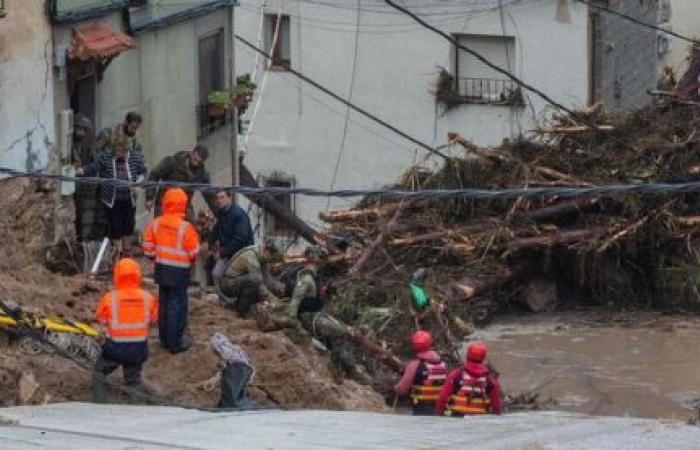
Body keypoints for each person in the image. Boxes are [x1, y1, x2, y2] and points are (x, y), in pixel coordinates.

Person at [142, 188, 200, 353]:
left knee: (164, 304)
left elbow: (147, 244)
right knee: (177, 306)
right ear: (183, 204)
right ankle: (175, 343)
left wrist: (153, 256)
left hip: (161, 268)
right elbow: (194, 251)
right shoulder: (185, 227)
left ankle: (164, 339)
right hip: (179, 271)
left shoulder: (157, 223)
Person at [93, 258, 157, 403]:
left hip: (115, 348)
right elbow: (153, 320)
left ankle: (98, 405)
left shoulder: (110, 299)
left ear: (117, 275)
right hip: (138, 349)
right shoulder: (148, 298)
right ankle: (136, 409)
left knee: (99, 372)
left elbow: (101, 319)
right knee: (133, 380)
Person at [81, 127, 147, 256]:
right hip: (112, 198)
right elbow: (94, 167)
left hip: (129, 198)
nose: (119, 153)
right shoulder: (106, 156)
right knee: (115, 226)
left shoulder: (135, 157)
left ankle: (126, 251)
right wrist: (80, 171)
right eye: (117, 149)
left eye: (122, 150)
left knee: (128, 225)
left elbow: (143, 171)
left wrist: (137, 183)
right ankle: (118, 251)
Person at [145, 145, 215, 221]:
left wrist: (220, 212)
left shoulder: (202, 174)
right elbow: (154, 175)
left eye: (201, 159)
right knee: (162, 226)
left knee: (191, 228)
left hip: (184, 206)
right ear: (192, 153)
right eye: (197, 156)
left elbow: (209, 195)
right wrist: (150, 198)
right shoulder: (172, 162)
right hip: (164, 203)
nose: (198, 160)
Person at [435, 341, 501, 416]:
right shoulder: (491, 380)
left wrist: (438, 416)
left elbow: (442, 399)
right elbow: (496, 407)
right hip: (480, 421)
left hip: (455, 420)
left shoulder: (456, 375)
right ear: (483, 358)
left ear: (467, 356)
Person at [207, 189, 254, 290]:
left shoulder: (238, 214)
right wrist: (208, 242)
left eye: (222, 197)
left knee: (226, 276)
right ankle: (224, 299)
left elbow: (240, 239)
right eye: (218, 198)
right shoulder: (222, 213)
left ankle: (229, 300)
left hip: (241, 254)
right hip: (228, 252)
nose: (219, 200)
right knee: (216, 274)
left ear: (229, 198)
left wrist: (222, 252)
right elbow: (217, 229)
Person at [219, 243, 281, 317]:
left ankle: (234, 305)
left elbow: (267, 280)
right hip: (228, 283)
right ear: (267, 252)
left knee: (256, 286)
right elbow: (258, 282)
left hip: (238, 281)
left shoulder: (262, 258)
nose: (270, 262)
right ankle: (241, 311)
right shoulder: (251, 256)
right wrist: (272, 299)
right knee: (253, 282)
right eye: (272, 259)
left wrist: (279, 288)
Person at [394, 330, 448, 416]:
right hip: (440, 407)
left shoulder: (414, 365)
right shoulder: (442, 363)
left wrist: (396, 388)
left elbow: (402, 389)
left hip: (421, 408)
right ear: (429, 343)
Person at [71, 114, 102, 242]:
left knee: (87, 217)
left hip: (87, 187)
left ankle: (85, 242)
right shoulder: (70, 143)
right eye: (79, 129)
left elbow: (96, 164)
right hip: (73, 188)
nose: (81, 132)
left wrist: (83, 170)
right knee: (75, 217)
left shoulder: (89, 145)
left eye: (84, 130)